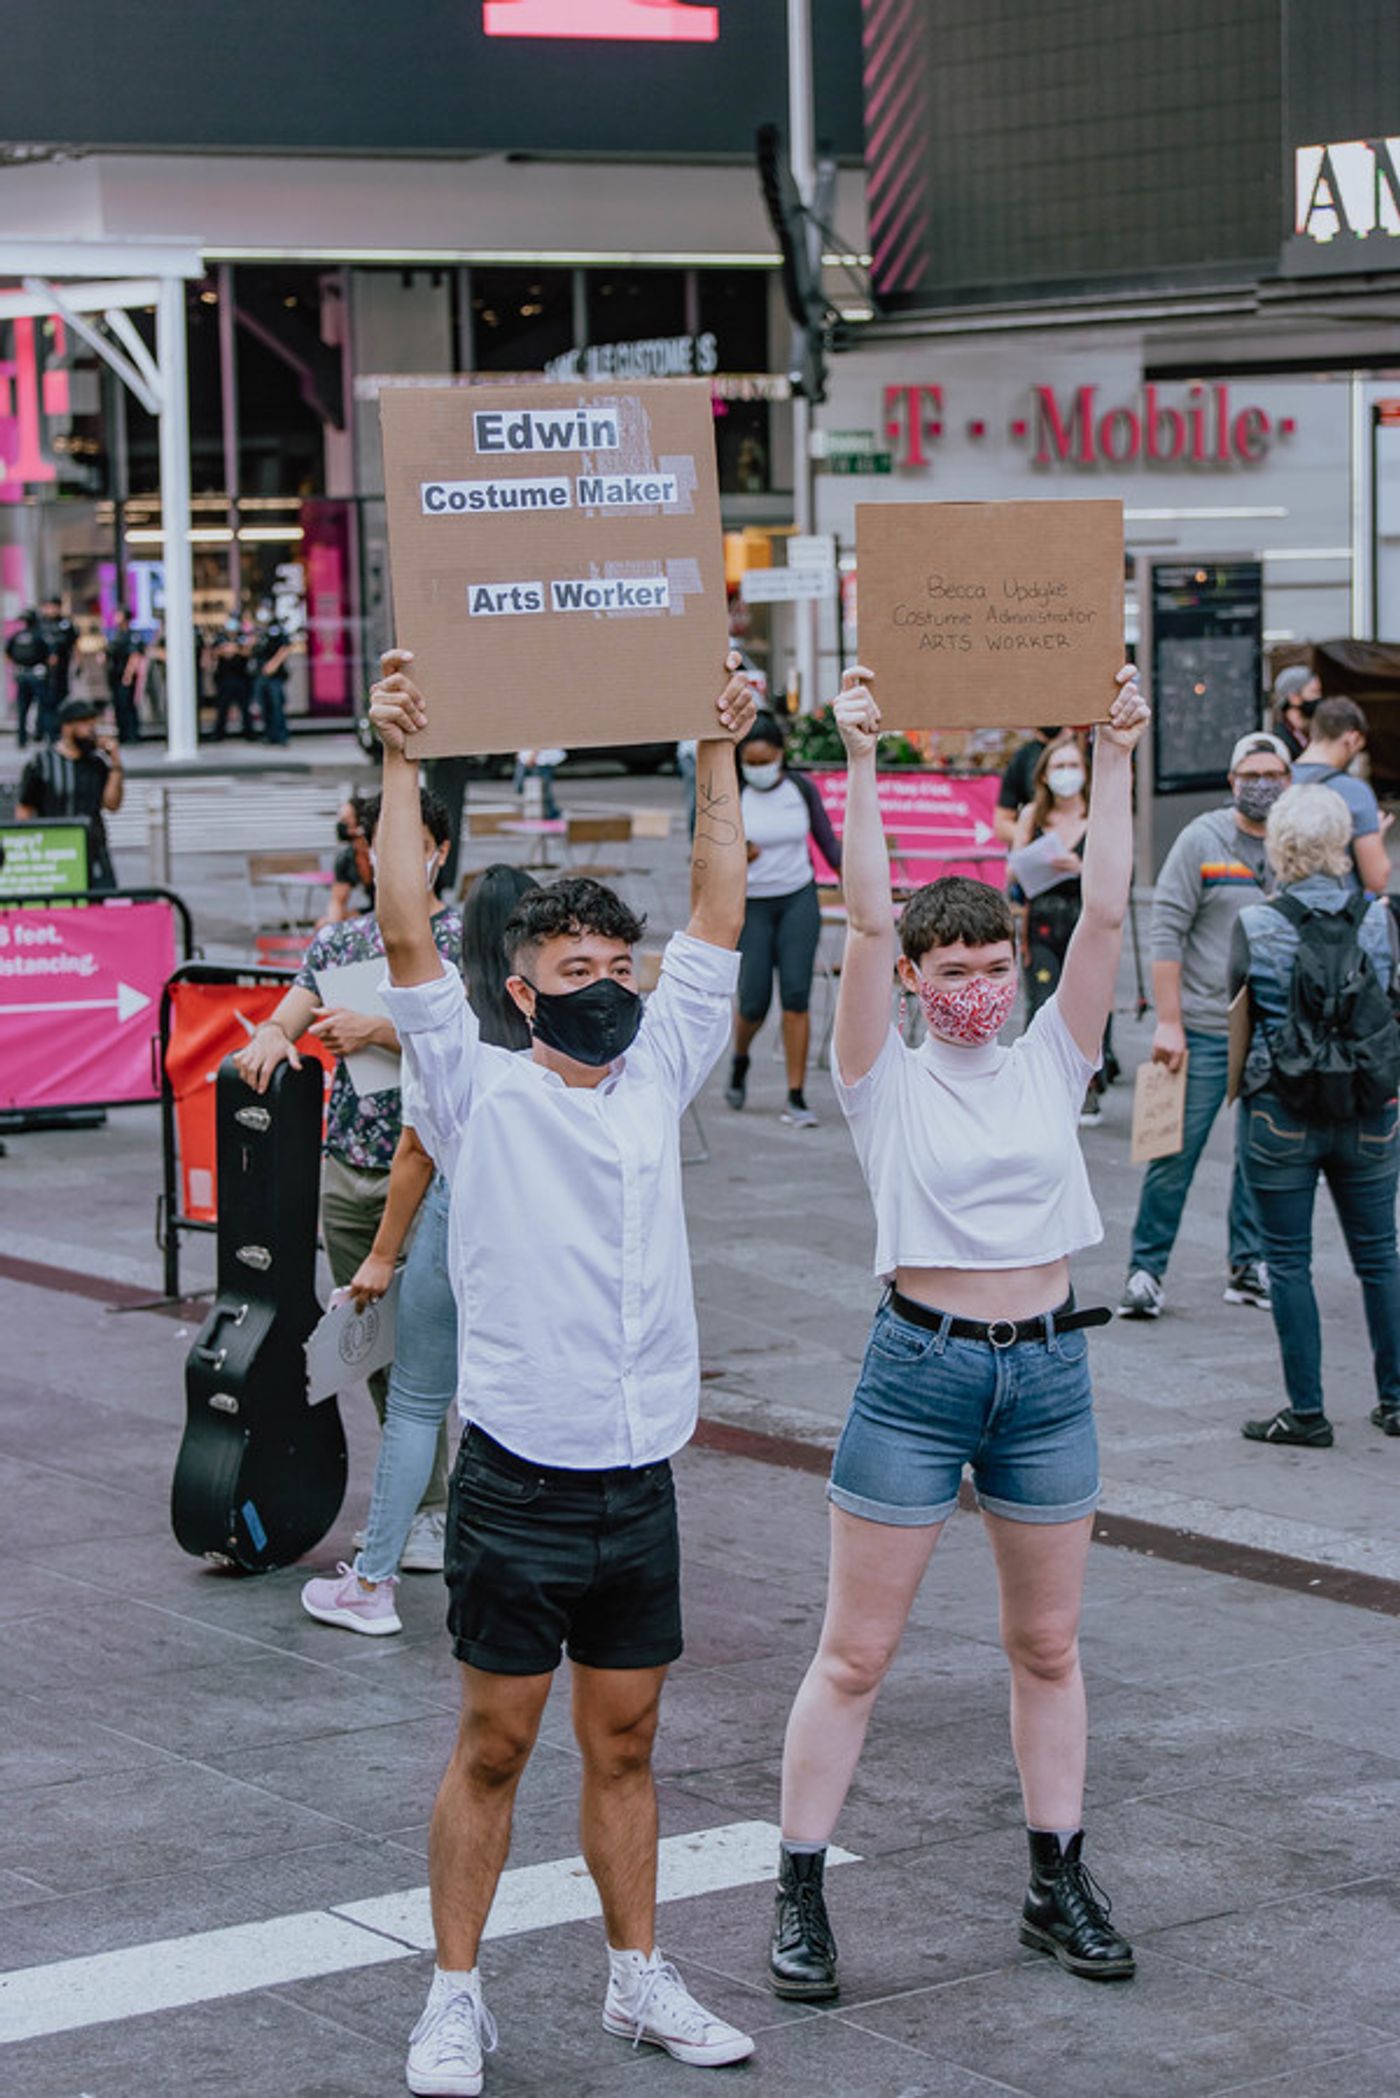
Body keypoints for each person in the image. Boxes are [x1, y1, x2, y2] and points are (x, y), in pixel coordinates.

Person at [368, 646, 759, 2094]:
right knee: (492, 1743)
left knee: (631, 1738)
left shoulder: (660, 1065)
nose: (605, 988)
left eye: (616, 967)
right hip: (520, 1477)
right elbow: (406, 923)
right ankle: (454, 1994)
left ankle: (635, 1978)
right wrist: (401, 756)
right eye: (575, 973)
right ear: (524, 993)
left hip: (638, 1472)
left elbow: (720, 904)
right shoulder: (475, 1089)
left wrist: (716, 748)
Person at [766, 660, 1148, 2007]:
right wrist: (860, 760)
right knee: (855, 1651)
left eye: (996, 962)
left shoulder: (1054, 1054)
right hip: (918, 1371)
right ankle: (799, 1888)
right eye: (954, 967)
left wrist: (1113, 750)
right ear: (922, 979)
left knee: (1048, 1646)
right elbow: (862, 926)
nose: (977, 983)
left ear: (1016, 963)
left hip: (1047, 1368)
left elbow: (1105, 902)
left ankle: (1056, 1877)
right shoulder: (880, 1080)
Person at [302, 865, 540, 1635]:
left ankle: (372, 1586)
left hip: (451, 1218)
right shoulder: (567, 1028)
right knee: (515, 1404)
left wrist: (380, 1256)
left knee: (414, 1404)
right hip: (534, 1231)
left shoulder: (451, 1030)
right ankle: (522, 1569)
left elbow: (414, 1153)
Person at [232, 787, 461, 1574]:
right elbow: (289, 1012)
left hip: (435, 1170)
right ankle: (422, 1499)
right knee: (373, 1345)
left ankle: (432, 1509)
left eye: (405, 841)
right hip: (350, 1165)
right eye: (375, 841)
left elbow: (482, 1051)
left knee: (427, 1342)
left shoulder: (460, 940)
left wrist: (381, 1033)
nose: (386, 857)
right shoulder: (338, 945)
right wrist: (269, 1037)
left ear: (439, 850)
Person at [1232, 785, 1400, 1448]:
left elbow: (1238, 1015)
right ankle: (1395, 1399)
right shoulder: (1377, 920)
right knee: (1381, 1256)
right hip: (1368, 1111)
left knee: (1289, 1262)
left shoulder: (1256, 925)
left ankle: (1307, 1412)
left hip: (1282, 1111)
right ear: (1340, 844)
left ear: (1279, 847)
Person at [1116, 732, 1292, 1320]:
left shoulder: (1295, 844)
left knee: (1260, 1154)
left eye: (1272, 773)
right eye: (1250, 773)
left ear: (1289, 782)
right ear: (1232, 780)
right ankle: (1146, 1268)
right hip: (1203, 1026)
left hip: (1274, 1030)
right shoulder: (1202, 840)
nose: (1261, 784)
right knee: (1174, 1152)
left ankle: (1249, 1265)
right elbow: (1166, 931)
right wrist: (1169, 1022)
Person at [724, 709, 843, 1127]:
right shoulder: (731, 791)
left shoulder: (800, 788)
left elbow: (829, 844)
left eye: (764, 761)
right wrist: (738, 852)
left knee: (796, 995)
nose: (757, 769)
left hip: (797, 898)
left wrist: (858, 878)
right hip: (752, 904)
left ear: (780, 754)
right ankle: (740, 1057)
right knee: (754, 1000)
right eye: (749, 763)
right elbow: (704, 853)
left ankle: (796, 1094)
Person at [1010, 738, 1108, 1124]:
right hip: (1042, 918)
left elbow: (1116, 872)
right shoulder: (1033, 816)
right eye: (1058, 766)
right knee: (1043, 999)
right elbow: (1014, 868)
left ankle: (1087, 1085)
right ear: (1045, 775)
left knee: (1088, 1001)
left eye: (1073, 765)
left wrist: (1079, 866)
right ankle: (1043, 1084)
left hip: (1086, 917)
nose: (1066, 774)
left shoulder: (1097, 815)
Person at [16, 696, 124, 890]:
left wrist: (115, 764)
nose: (92, 732)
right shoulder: (41, 764)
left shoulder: (96, 764)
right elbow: (24, 810)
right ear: (67, 727)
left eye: (93, 725)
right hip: (55, 852)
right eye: (85, 725)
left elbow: (112, 804)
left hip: (94, 850)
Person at [1291, 696, 1391, 895]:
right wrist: (1376, 835)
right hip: (1338, 913)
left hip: (1284, 909)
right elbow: (1377, 879)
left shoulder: (1279, 780)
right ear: (1352, 738)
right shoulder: (1355, 791)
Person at [994, 723, 1068, 844]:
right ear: (1043, 777)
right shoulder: (1022, 758)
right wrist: (1037, 840)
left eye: (1072, 765)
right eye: (1059, 767)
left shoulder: (1085, 751)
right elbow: (1002, 824)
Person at [323, 794, 375, 925]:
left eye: (347, 821)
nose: (342, 826)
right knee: (324, 924)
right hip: (374, 910)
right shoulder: (346, 858)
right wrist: (332, 925)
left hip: (397, 911)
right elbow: (337, 901)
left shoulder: (382, 852)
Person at [5, 609, 50, 749]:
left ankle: (22, 739)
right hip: (37, 674)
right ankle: (39, 733)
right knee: (43, 706)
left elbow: (7, 654)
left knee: (22, 708)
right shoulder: (41, 635)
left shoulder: (17, 636)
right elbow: (51, 656)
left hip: (22, 674)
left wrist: (16, 667)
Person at [206, 616, 254, 741]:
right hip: (224, 678)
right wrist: (225, 650)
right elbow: (214, 653)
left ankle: (249, 732)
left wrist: (235, 649)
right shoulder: (220, 638)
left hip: (241, 677)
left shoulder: (242, 637)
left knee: (244, 707)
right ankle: (218, 733)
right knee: (222, 707)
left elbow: (248, 652)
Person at [249, 610, 294, 746]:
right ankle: (270, 735)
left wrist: (273, 664)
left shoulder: (276, 629)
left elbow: (285, 648)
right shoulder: (259, 631)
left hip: (274, 674)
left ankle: (281, 735)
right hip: (261, 672)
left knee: (276, 705)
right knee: (265, 705)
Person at [105, 607, 145, 745]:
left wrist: (128, 674)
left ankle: (132, 734)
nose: (116, 618)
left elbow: (135, 655)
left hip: (125, 675)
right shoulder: (115, 635)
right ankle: (122, 733)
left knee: (127, 704)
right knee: (118, 705)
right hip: (114, 675)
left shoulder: (133, 635)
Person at [1271, 664, 1321, 763]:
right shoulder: (1280, 741)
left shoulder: (1311, 733)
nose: (1319, 698)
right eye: (1314, 692)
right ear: (1294, 697)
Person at [38, 593, 77, 718]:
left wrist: (78, 663)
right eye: (47, 606)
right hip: (42, 667)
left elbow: (74, 644)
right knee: (43, 697)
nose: (50, 610)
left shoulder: (65, 624)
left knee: (61, 695)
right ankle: (42, 727)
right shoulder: (40, 624)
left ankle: (58, 725)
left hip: (62, 666)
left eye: (52, 606)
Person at [513, 746, 564, 820]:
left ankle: (551, 813)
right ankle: (547, 812)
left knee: (543, 790)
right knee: (520, 787)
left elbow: (539, 742)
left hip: (540, 761)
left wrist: (533, 755)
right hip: (525, 758)